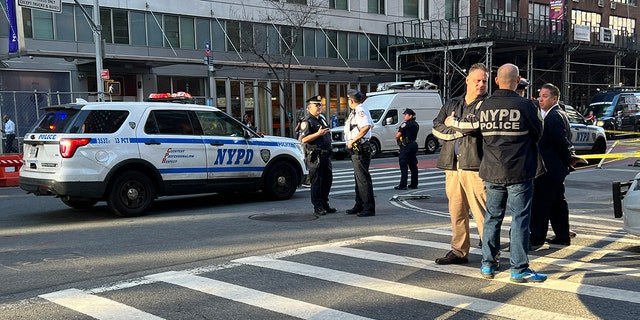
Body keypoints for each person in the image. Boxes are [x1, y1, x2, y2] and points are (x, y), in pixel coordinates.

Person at [478, 63, 547, 283]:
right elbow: (539, 133)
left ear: (496, 81)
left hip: (491, 170)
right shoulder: (526, 105)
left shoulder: (484, 106)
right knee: (520, 220)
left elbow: (481, 136)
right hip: (519, 170)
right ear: (518, 81)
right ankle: (518, 268)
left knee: (492, 217)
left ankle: (488, 264)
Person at [432, 63, 489, 265]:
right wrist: (457, 131)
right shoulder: (452, 103)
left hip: (475, 166)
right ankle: (459, 251)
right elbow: (436, 128)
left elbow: (477, 127)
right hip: (452, 166)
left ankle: (491, 254)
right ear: (467, 80)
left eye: (484, 81)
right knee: (456, 211)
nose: (481, 85)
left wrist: (453, 123)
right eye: (477, 80)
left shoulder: (487, 104)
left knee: (482, 212)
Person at [530, 83, 574, 246]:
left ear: (555, 98)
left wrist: (567, 160)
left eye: (545, 96)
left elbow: (561, 143)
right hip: (556, 168)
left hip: (550, 168)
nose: (541, 99)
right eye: (540, 95)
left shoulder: (553, 116)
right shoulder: (558, 113)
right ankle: (562, 236)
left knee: (541, 203)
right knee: (557, 203)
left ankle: (537, 236)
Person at [299, 96, 335, 216]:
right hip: (315, 156)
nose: (320, 107)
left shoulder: (321, 119)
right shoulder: (307, 121)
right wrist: (318, 134)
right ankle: (318, 206)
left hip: (325, 155)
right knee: (317, 182)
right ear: (309, 108)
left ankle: (325, 203)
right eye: (317, 105)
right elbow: (304, 139)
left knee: (327, 181)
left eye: (320, 105)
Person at [344, 89, 375, 217]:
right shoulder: (356, 111)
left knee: (363, 179)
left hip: (360, 148)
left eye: (348, 100)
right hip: (357, 148)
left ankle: (368, 207)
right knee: (359, 179)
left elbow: (366, 126)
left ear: (351, 100)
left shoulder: (360, 111)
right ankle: (360, 204)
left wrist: (354, 140)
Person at [394, 108, 419, 190]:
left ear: (410, 116)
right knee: (413, 165)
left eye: (406, 115)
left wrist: (398, 141)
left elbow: (397, 135)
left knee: (403, 164)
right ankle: (414, 184)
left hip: (406, 145)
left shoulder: (406, 124)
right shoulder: (416, 124)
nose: (404, 116)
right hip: (413, 144)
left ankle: (403, 184)